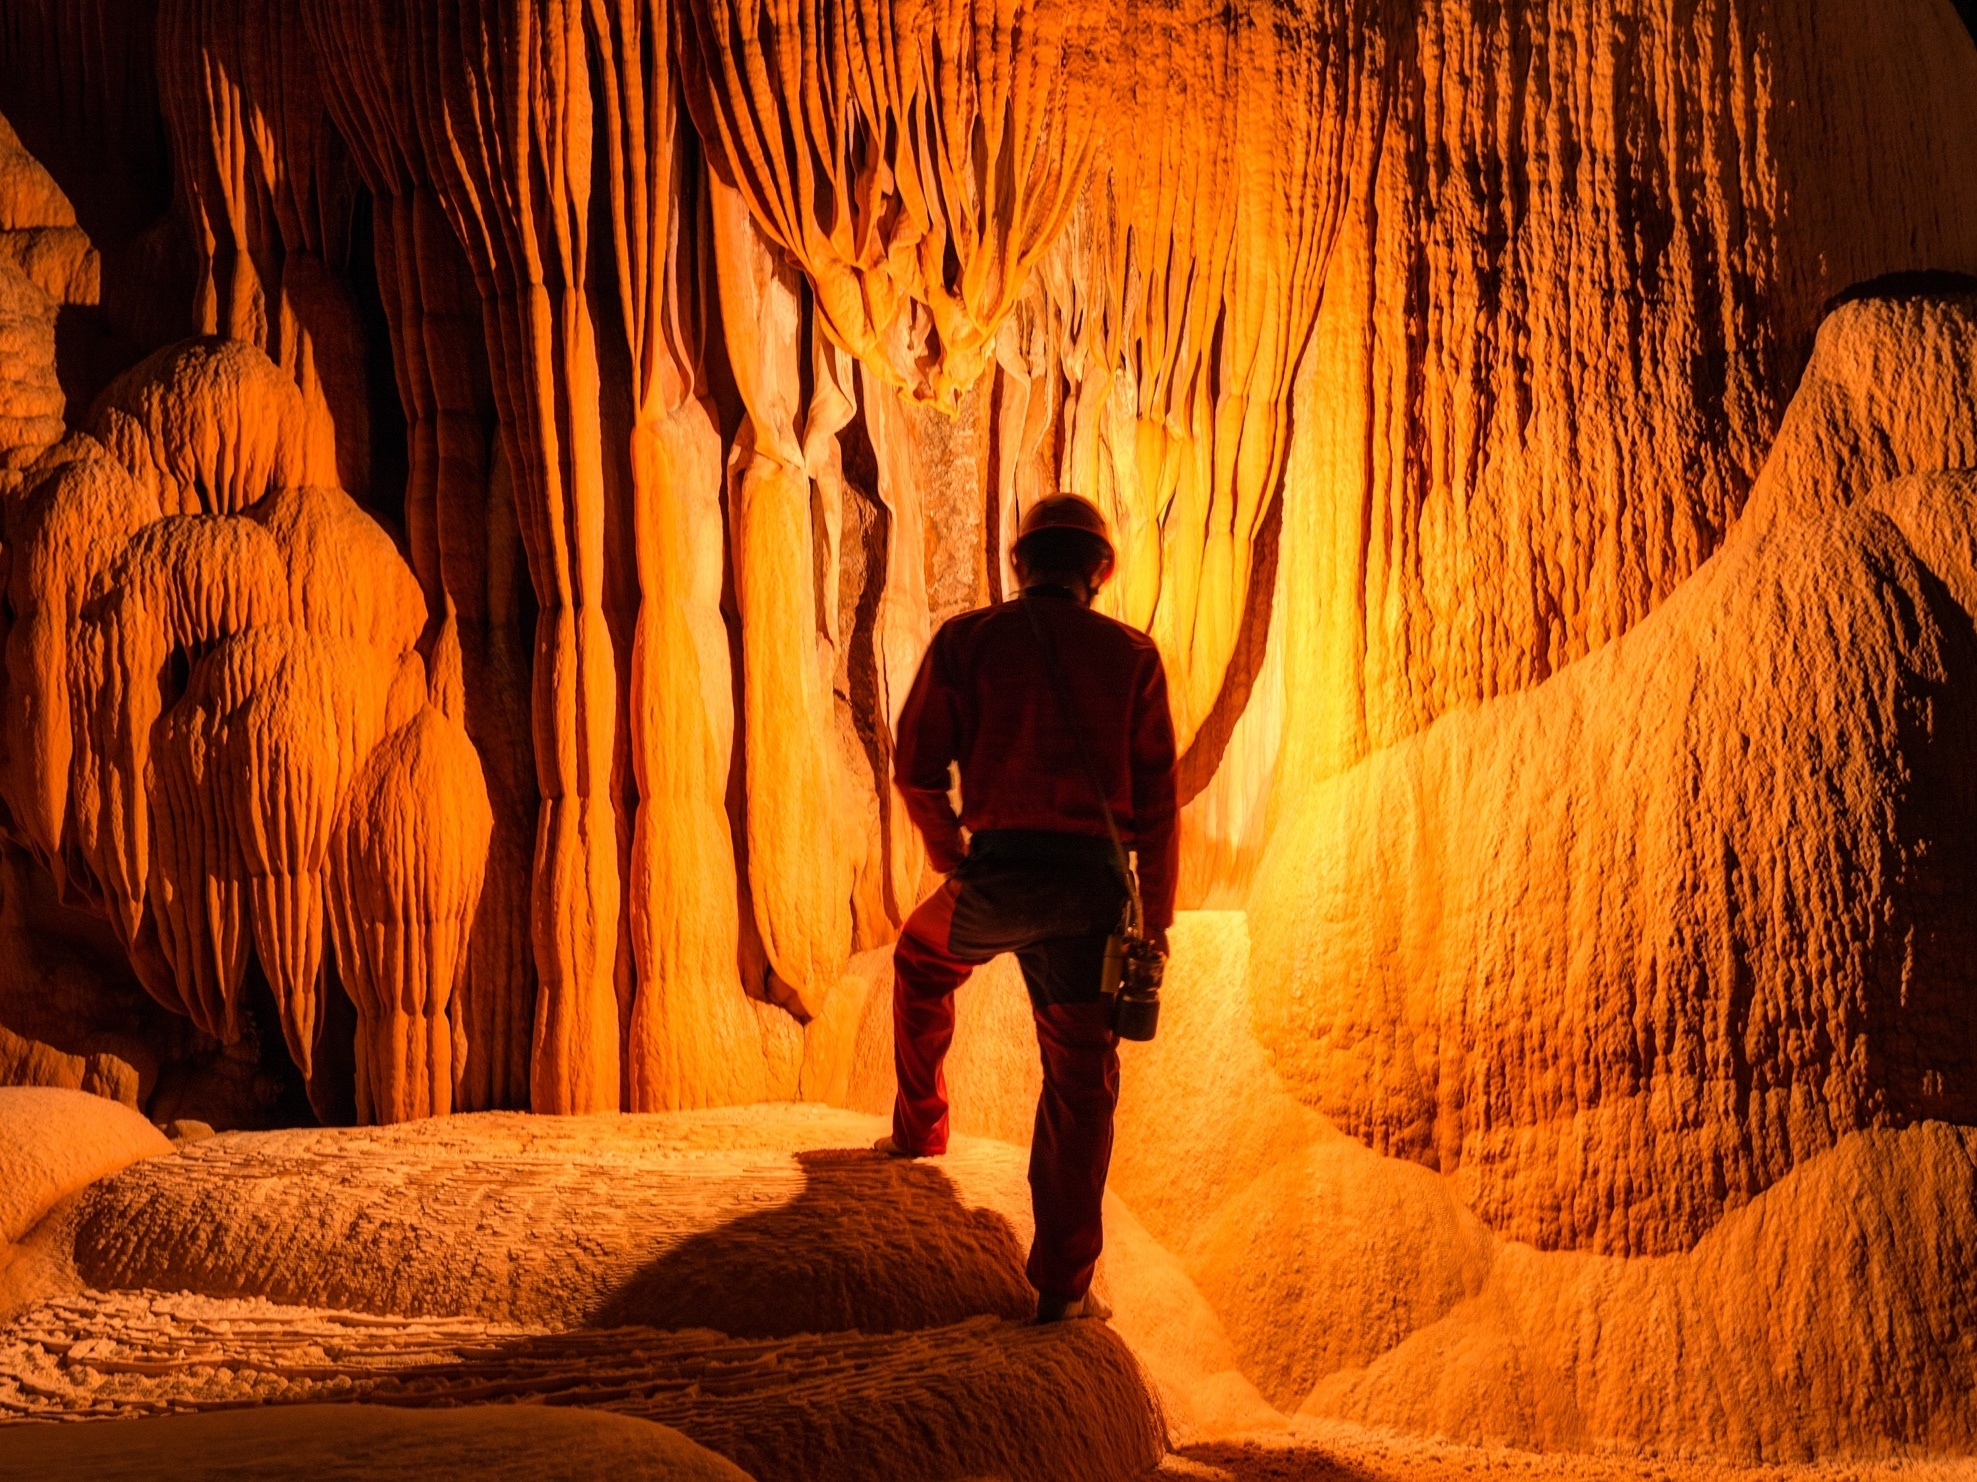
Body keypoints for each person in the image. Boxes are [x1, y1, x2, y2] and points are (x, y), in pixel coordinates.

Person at [877, 493, 1179, 1324]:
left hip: (998, 874)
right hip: (1090, 890)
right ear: (1099, 571)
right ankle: (1062, 1289)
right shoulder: (1132, 655)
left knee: (920, 960)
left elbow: (915, 769)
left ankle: (920, 1127)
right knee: (1081, 1082)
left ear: (1019, 564)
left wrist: (954, 858)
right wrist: (1154, 920)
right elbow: (1155, 805)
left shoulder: (968, 640)